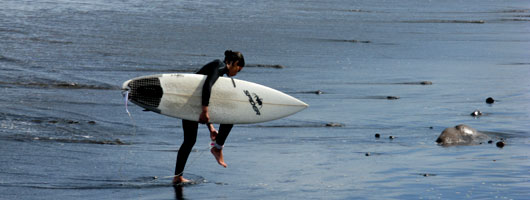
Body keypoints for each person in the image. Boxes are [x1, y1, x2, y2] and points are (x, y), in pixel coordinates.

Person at [173, 50, 245, 184]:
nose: (236, 73)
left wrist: (210, 127)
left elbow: (204, 92)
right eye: (238, 70)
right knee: (230, 117)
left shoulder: (219, 70)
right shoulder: (220, 66)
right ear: (234, 63)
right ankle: (217, 148)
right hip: (194, 104)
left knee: (189, 141)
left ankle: (177, 176)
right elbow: (207, 86)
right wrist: (205, 110)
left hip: (190, 103)